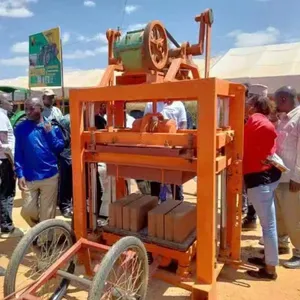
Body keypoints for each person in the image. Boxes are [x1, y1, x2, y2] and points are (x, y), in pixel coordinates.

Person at [244, 95, 281, 280]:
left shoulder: (255, 121)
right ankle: (269, 259)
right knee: (269, 225)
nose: (244, 107)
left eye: (247, 104)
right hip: (268, 176)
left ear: (253, 107)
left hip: (259, 180)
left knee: (268, 227)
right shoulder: (264, 121)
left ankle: (270, 269)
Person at [15, 97, 65, 227]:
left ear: (41, 109)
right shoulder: (21, 128)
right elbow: (18, 152)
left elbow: (59, 148)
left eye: (31, 108)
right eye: (25, 108)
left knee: (47, 213)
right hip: (29, 177)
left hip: (50, 175)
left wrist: (50, 134)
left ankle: (46, 241)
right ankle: (39, 230)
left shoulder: (52, 127)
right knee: (27, 211)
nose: (27, 112)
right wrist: (19, 174)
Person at [274, 86, 300, 268]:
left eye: (276, 101)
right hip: (279, 175)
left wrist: (297, 177)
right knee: (280, 214)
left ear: (283, 99)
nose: (274, 104)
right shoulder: (283, 119)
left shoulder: (298, 119)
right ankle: (282, 244)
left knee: (293, 217)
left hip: (292, 178)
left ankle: (299, 252)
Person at [144, 101, 187, 201]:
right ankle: (154, 209)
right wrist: (151, 120)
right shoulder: (150, 104)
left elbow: (183, 124)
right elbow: (145, 123)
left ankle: (178, 205)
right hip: (156, 149)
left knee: (175, 182)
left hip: (173, 149)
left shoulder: (179, 104)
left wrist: (178, 140)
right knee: (155, 182)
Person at [242, 84, 268, 231]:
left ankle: (252, 217)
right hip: (249, 161)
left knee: (256, 192)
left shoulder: (266, 120)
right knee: (249, 189)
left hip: (261, 165)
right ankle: (250, 216)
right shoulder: (246, 117)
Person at [0, 94, 24, 238]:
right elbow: (4, 145)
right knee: (7, 193)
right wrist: (13, 162)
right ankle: (7, 227)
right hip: (5, 160)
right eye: (9, 101)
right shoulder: (2, 118)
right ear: (1, 103)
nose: (12, 103)